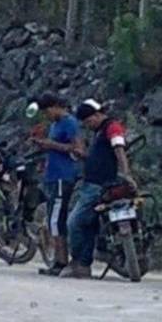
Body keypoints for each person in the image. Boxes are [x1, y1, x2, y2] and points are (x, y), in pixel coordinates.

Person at [60, 100, 137, 279]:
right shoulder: (99, 133)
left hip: (98, 186)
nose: (88, 125)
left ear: (96, 115)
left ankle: (78, 261)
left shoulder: (112, 127)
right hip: (93, 184)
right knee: (88, 224)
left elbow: (119, 150)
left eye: (88, 121)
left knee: (74, 222)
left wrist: (126, 174)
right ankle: (84, 263)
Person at [32, 92, 82, 276]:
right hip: (53, 174)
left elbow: (77, 149)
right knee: (53, 218)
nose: (47, 115)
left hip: (63, 175)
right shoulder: (55, 124)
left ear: (54, 106)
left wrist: (51, 145)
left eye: (47, 111)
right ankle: (58, 260)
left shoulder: (69, 123)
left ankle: (61, 260)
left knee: (56, 220)